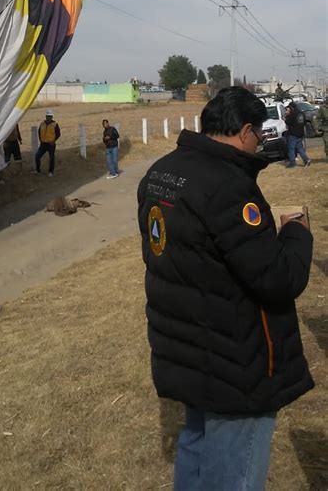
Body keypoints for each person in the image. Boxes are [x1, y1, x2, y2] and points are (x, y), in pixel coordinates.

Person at [137, 87, 313, 491]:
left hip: (185, 342)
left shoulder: (160, 172)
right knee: (234, 467)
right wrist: (296, 234)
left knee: (196, 444)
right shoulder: (228, 186)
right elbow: (278, 279)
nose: (258, 146)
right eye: (258, 136)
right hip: (233, 356)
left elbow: (167, 251)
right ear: (246, 131)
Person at [34, 110, 61, 177]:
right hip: (43, 144)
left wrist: (54, 141)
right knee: (37, 156)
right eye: (47, 116)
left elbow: (58, 134)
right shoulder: (42, 124)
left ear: (52, 117)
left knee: (52, 158)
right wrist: (40, 140)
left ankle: (50, 171)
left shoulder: (55, 124)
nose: (48, 117)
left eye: (50, 116)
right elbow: (39, 132)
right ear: (45, 116)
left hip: (51, 144)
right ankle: (38, 170)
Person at [285, 101, 311, 168]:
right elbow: (304, 122)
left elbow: (287, 122)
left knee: (291, 149)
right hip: (300, 134)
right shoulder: (301, 113)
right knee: (300, 148)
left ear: (291, 108)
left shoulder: (293, 114)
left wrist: (287, 115)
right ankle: (306, 160)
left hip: (293, 134)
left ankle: (293, 163)